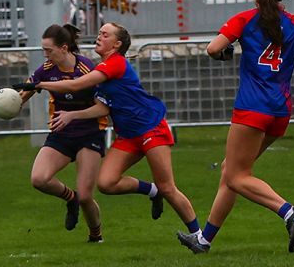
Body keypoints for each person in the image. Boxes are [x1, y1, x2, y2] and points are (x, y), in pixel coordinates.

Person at [178, 0, 294, 254]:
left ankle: (289, 212)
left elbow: (212, 48)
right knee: (232, 171)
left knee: (235, 176)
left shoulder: (245, 19)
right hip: (280, 110)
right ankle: (204, 241)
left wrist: (224, 52)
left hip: (251, 108)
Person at [21, 22, 202, 239]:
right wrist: (69, 113)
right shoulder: (102, 66)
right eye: (99, 33)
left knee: (168, 188)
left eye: (104, 35)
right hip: (127, 135)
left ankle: (199, 236)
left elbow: (75, 85)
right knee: (106, 183)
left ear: (116, 44)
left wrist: (41, 85)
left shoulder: (114, 64)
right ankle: (151, 191)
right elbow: (102, 107)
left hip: (150, 128)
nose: (99, 36)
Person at [0, 23, 106, 242]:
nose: (45, 54)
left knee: (88, 196)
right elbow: (23, 93)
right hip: (61, 134)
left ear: (64, 48)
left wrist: (73, 115)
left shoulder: (87, 69)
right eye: (43, 50)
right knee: (39, 179)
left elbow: (103, 108)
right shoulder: (46, 70)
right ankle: (71, 199)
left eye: (49, 50)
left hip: (89, 134)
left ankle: (95, 235)